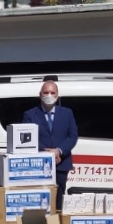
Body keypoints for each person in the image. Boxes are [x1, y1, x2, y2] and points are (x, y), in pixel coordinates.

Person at [22, 79, 78, 210]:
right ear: (40, 95)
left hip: (61, 163)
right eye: (46, 92)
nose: (49, 95)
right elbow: (27, 137)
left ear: (57, 95)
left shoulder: (67, 113)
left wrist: (58, 151)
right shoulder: (30, 114)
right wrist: (46, 153)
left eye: (52, 92)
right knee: (39, 199)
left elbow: (73, 136)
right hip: (38, 164)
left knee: (58, 199)